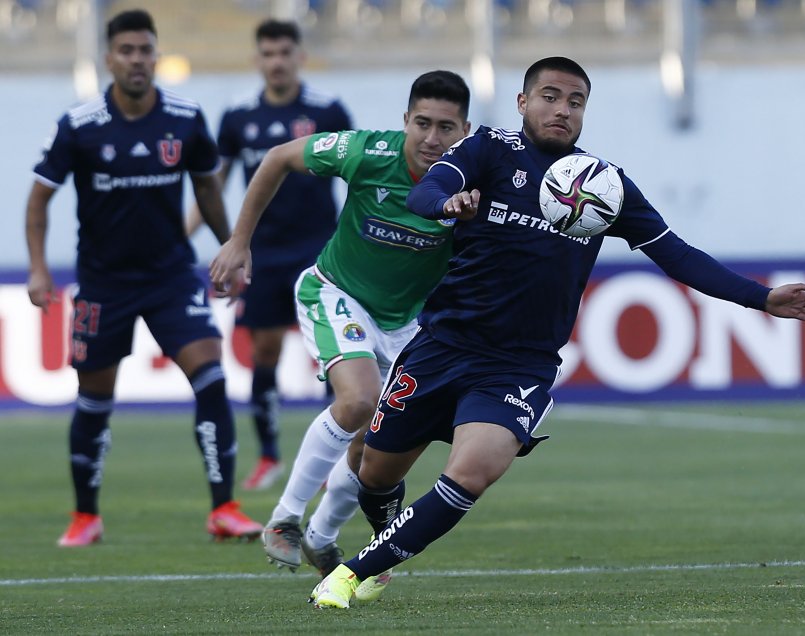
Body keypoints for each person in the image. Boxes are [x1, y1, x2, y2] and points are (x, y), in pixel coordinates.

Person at [308, 56, 805, 609]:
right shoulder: (487, 149)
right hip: (442, 346)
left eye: (575, 101)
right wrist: (448, 202)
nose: (562, 109)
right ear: (522, 102)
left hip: (519, 364)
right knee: (376, 471)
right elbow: (424, 193)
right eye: (550, 96)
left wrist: (760, 297)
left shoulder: (602, 184)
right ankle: (387, 538)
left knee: (473, 471)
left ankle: (348, 575)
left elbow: (676, 254)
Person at [209, 70, 471, 597]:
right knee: (358, 401)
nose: (431, 138)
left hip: (406, 325)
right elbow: (279, 156)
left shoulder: (473, 182)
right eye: (422, 123)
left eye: (446, 127)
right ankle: (284, 518)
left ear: (464, 131)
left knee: (376, 447)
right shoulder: (367, 152)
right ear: (405, 122)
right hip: (335, 292)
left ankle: (322, 536)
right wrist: (240, 241)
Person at [25, 9, 262, 547]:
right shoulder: (80, 124)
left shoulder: (185, 116)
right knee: (94, 399)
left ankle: (224, 507)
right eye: (127, 50)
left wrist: (233, 249)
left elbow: (206, 188)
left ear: (157, 55)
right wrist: (39, 266)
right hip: (103, 283)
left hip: (171, 277)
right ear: (110, 58)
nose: (137, 59)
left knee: (212, 377)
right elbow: (40, 198)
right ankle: (86, 516)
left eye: (145, 49)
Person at [187, 19, 353, 491]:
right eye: (268, 54)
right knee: (264, 350)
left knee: (334, 353)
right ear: (257, 60)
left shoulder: (327, 110)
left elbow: (356, 177)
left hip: (322, 252)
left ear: (299, 56)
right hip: (263, 254)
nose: (277, 62)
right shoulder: (238, 118)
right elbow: (213, 185)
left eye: (285, 52)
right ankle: (269, 456)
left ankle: (331, 456)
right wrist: (183, 237)